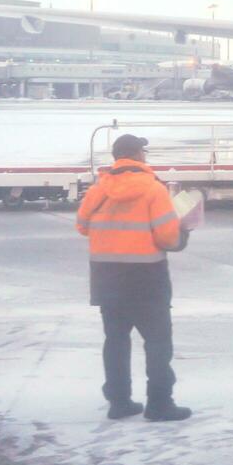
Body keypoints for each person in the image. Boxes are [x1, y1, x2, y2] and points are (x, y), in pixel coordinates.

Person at [76, 134, 191, 422]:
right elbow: (166, 236)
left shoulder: (99, 189)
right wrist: (183, 234)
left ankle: (119, 402)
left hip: (107, 278)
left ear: (116, 157)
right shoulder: (154, 190)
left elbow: (82, 226)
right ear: (138, 155)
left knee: (115, 341)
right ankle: (159, 404)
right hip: (146, 279)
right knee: (157, 343)